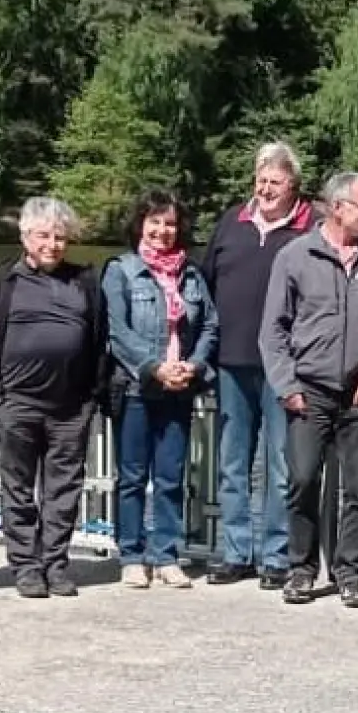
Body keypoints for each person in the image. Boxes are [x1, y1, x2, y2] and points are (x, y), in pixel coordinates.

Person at [260, 172, 358, 609]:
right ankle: (301, 569)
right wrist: (286, 385)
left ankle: (351, 572)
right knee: (303, 480)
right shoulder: (295, 256)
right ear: (338, 207)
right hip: (309, 391)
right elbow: (273, 330)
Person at [0, 197, 106, 599]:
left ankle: (56, 563)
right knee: (18, 489)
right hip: (17, 404)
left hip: (69, 407)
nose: (52, 244)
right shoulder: (1, 281)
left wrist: (90, 398)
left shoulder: (84, 282)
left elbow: (99, 342)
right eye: (43, 235)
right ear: (25, 236)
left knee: (64, 491)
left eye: (60, 237)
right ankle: (25, 565)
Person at [200, 142, 316, 590]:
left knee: (281, 464)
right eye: (261, 179)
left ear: (294, 186)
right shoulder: (233, 221)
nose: (266, 189)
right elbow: (204, 284)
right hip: (232, 359)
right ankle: (234, 552)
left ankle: (276, 555)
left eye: (276, 181)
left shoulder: (311, 227)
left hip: (285, 365)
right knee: (232, 461)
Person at [103, 191, 219, 590]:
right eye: (154, 222)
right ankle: (132, 556)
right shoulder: (121, 271)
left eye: (169, 223)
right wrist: (154, 368)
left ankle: (167, 555)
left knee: (170, 476)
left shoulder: (191, 274)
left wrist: (194, 365)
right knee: (133, 476)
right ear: (140, 224)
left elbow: (209, 327)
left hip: (180, 388)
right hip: (136, 387)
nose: (162, 231)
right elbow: (117, 331)